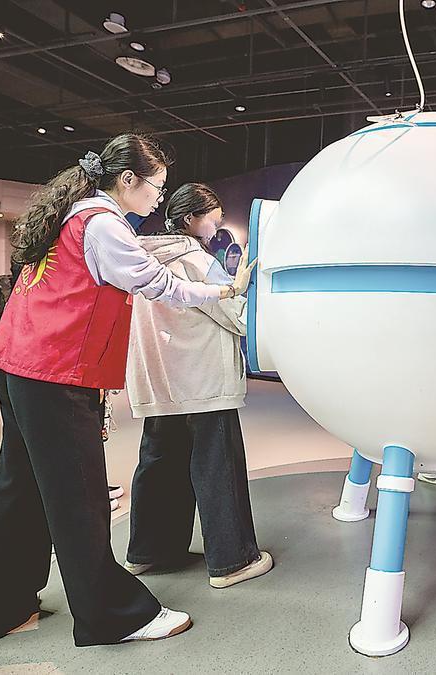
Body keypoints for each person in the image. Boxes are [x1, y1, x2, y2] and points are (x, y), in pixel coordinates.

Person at [0, 134, 254, 649]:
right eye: (156, 186)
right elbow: (159, 285)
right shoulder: (103, 223)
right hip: (55, 373)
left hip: (20, 366)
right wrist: (227, 288)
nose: (159, 198)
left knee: (20, 491)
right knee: (79, 499)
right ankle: (112, 616)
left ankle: (3, 607)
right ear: (127, 179)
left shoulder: (70, 215)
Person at [123, 183, 272, 588]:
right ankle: (233, 561)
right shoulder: (198, 261)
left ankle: (150, 553)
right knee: (217, 467)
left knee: (159, 464)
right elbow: (235, 315)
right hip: (204, 381)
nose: (218, 226)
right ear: (190, 219)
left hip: (159, 381)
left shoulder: (144, 259)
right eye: (213, 218)